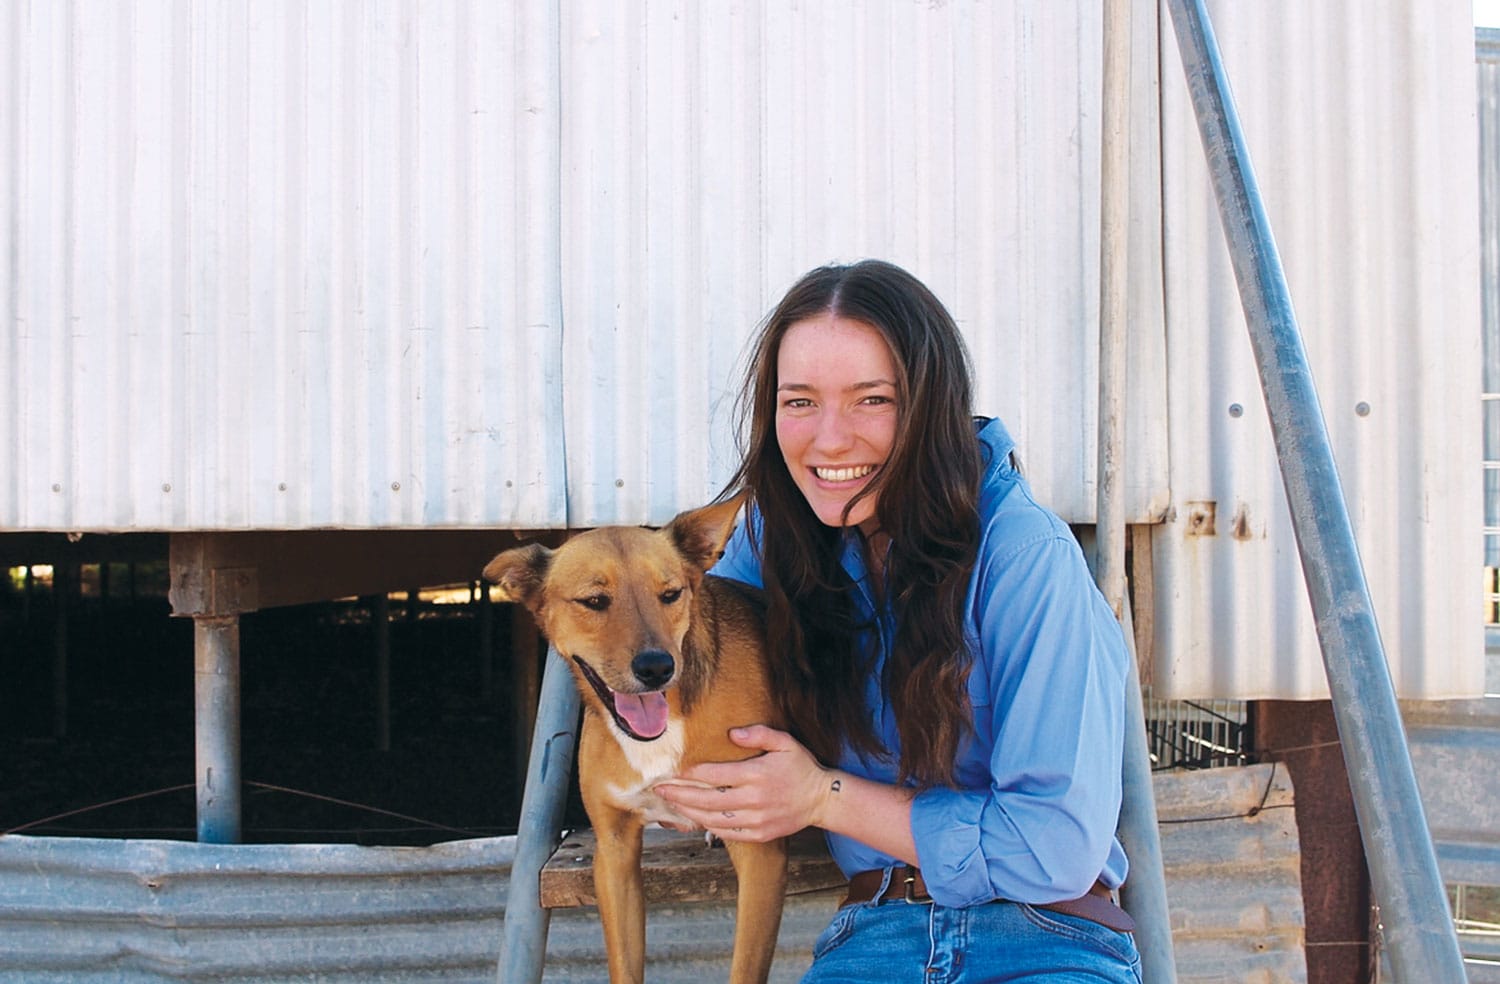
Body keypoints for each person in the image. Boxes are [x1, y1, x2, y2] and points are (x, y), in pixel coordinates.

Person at [653, 259, 1141, 982]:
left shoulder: (1022, 555)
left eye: (871, 400)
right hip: (875, 934)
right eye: (799, 402)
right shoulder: (769, 540)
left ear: (929, 406)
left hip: (1044, 935)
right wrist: (691, 780)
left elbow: (1055, 846)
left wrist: (821, 796)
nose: (828, 440)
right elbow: (682, 678)